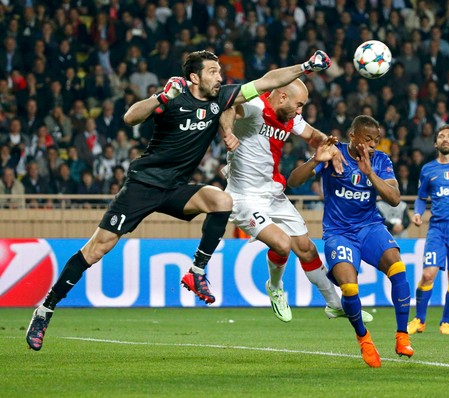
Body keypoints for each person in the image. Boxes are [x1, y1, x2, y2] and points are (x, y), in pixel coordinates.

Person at [26, 49, 333, 351]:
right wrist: (161, 97)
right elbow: (130, 116)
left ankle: (197, 272)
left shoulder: (220, 98)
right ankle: (45, 310)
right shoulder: (174, 98)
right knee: (97, 249)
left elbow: (268, 81)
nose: (219, 77)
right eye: (213, 72)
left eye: (219, 72)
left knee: (222, 201)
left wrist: (306, 66)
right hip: (143, 185)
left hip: (176, 188)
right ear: (194, 76)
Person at [222, 78, 371, 323]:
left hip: (273, 193)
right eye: (299, 104)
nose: (301, 110)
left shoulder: (289, 117)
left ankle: (335, 305)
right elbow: (228, 106)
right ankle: (275, 286)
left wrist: (333, 151)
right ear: (282, 98)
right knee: (282, 244)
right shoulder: (255, 107)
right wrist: (227, 131)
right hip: (244, 197)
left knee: (307, 249)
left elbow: (314, 137)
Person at [287, 115, 414, 368]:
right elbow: (292, 182)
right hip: (339, 232)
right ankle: (364, 338)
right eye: (368, 139)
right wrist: (315, 159)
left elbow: (395, 199)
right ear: (353, 136)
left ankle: (402, 335)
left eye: (376, 140)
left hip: (370, 227)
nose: (373, 145)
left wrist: (371, 175)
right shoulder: (333, 153)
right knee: (349, 287)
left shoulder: (380, 160)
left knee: (398, 268)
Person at [406, 125, 449, 336]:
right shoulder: (428, 170)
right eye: (441, 136)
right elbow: (421, 198)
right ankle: (419, 319)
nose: (445, 139)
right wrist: (418, 212)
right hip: (437, 228)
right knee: (428, 274)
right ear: (435, 143)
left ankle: (446, 322)